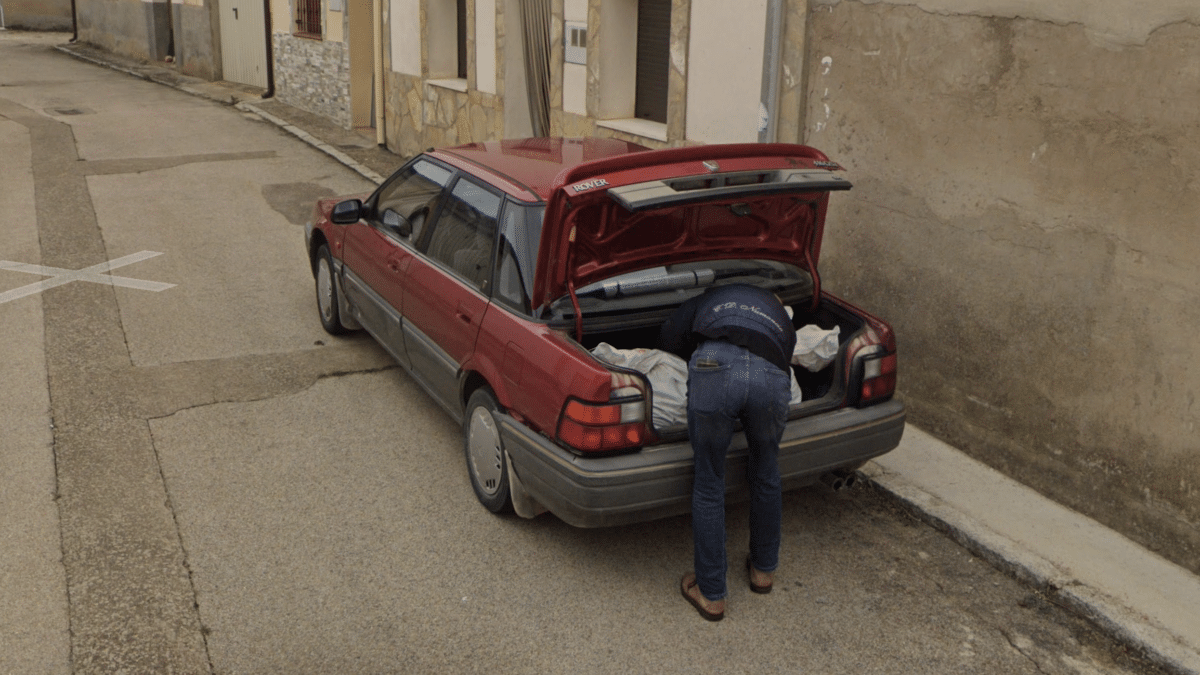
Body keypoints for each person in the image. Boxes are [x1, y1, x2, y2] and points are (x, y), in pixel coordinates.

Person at [659, 283, 796, 621]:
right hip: (771, 374)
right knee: (766, 470)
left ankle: (710, 593)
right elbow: (787, 354)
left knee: (709, 482)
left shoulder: (708, 300)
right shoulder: (779, 314)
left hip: (715, 365)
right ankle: (763, 571)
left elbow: (668, 337)